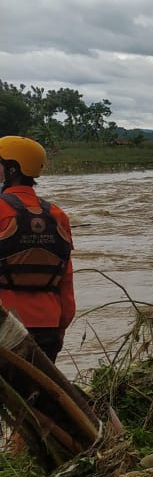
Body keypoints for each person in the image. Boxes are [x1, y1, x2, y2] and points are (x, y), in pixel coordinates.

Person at [0, 135, 76, 363]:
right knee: (38, 397)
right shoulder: (57, 215)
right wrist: (60, 329)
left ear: (11, 171)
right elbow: (66, 279)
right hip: (47, 327)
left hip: (5, 327)